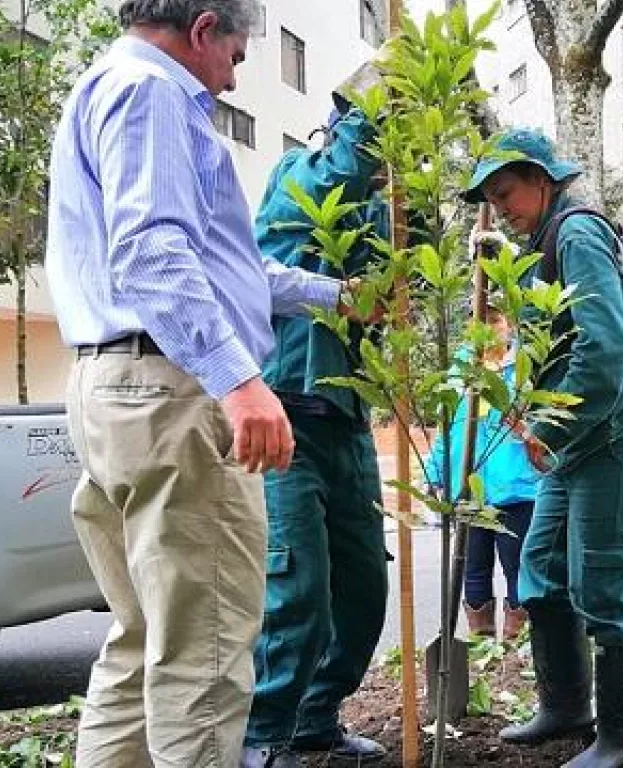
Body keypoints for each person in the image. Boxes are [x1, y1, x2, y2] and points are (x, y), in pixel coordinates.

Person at [45, 1, 362, 765]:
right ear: (202, 28)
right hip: (172, 389)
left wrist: (336, 296)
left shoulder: (104, 86)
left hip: (115, 385)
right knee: (208, 655)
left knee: (145, 641)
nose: (237, 69)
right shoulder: (153, 94)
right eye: (238, 50)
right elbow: (154, 252)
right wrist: (242, 382)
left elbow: (226, 266)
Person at [462, 128, 623, 768]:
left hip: (612, 440)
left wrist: (546, 431)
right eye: (490, 199)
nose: (501, 207)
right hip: (573, 447)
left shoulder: (576, 233)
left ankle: (621, 737)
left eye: (508, 193)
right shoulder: (545, 243)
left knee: (601, 584)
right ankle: (564, 705)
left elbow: (602, 353)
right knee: (541, 576)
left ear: (543, 180)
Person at [239, 91, 391, 767]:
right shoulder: (300, 174)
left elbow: (389, 289)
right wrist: (378, 108)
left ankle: (314, 718)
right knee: (297, 588)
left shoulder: (379, 212)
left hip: (349, 421)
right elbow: (335, 177)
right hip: (287, 411)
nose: (387, 167)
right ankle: (262, 735)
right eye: (381, 147)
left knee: (364, 588)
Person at [423, 304, 539, 642]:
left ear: (510, 325)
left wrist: (525, 429)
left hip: (516, 488)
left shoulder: (525, 370)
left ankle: (515, 647)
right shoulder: (459, 373)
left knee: (517, 568)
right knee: (473, 570)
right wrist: (434, 473)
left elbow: (545, 426)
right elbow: (450, 429)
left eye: (495, 320)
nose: (488, 329)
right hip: (469, 489)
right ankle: (481, 646)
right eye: (480, 321)